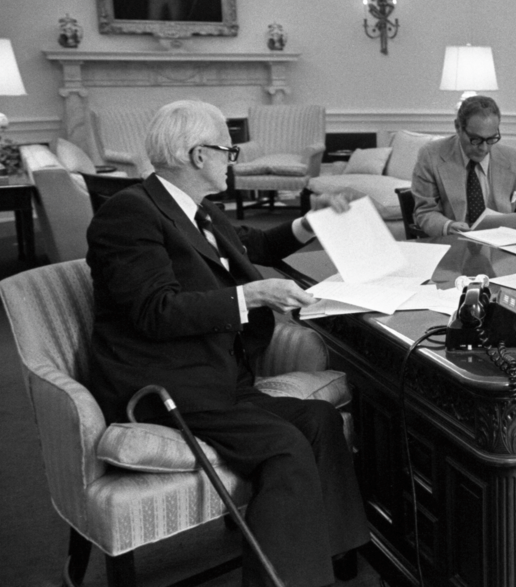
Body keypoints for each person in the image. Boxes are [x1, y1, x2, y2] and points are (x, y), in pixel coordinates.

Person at [86, 100, 369, 587]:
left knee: (319, 421)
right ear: (199, 155)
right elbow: (157, 311)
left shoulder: (194, 207)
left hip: (219, 375)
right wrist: (251, 294)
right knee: (283, 446)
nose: (232, 159)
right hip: (167, 383)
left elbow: (250, 247)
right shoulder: (129, 215)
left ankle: (333, 557)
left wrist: (310, 222)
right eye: (228, 149)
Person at [411, 94, 516, 237]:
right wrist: (448, 226)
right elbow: (425, 211)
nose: (484, 148)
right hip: (454, 245)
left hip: (502, 249)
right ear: (458, 127)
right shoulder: (431, 155)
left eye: (491, 138)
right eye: (476, 139)